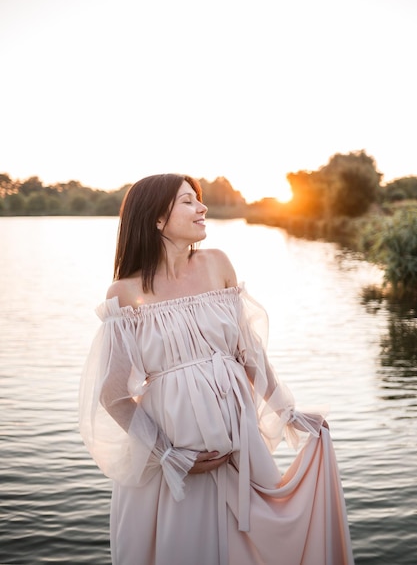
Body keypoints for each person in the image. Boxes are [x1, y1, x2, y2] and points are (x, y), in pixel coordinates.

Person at [79, 173, 354, 565]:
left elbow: (250, 354)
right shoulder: (124, 293)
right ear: (158, 219)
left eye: (198, 199)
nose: (202, 207)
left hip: (239, 442)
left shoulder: (217, 264)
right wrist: (169, 455)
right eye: (188, 201)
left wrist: (287, 412)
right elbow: (114, 395)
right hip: (177, 462)